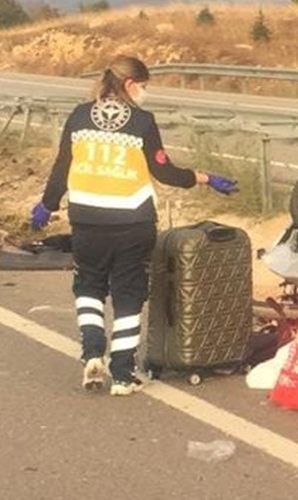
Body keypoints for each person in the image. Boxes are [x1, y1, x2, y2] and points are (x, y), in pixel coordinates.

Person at [32, 55, 239, 396]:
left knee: (89, 285)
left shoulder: (79, 116)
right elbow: (164, 171)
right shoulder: (142, 122)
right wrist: (205, 178)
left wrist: (47, 205)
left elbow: (61, 169)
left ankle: (92, 350)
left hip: (87, 220)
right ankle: (124, 374)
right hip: (132, 221)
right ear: (129, 85)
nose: (145, 93)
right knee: (129, 295)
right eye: (143, 86)